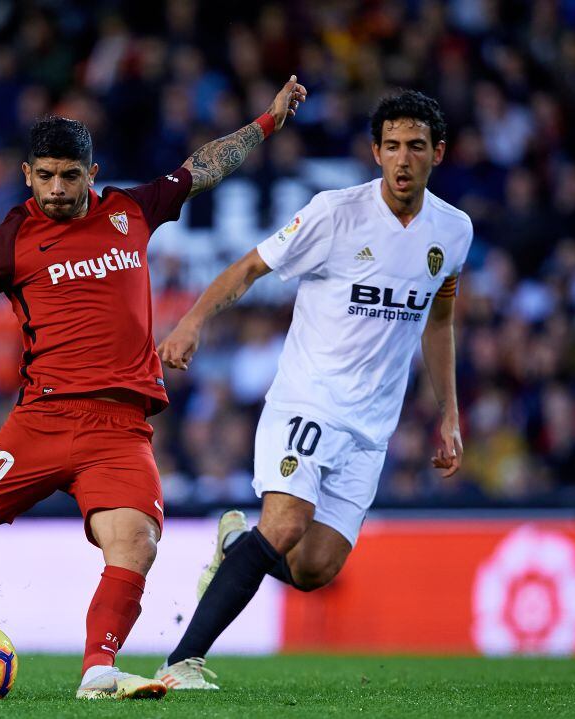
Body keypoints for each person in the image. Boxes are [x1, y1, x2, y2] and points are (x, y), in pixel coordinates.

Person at [0, 77, 308, 700]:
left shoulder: (131, 209)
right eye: (46, 177)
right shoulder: (12, 238)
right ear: (27, 175)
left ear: (92, 171)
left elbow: (202, 167)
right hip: (40, 421)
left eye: (71, 176)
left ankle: (98, 670)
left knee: (136, 542)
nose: (59, 190)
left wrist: (266, 122)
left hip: (120, 428)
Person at [152, 90, 473, 690]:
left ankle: (235, 549)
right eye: (394, 146)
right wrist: (193, 321)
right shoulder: (335, 214)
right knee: (286, 522)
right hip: (309, 399)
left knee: (313, 568)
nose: (404, 160)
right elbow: (250, 266)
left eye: (418, 147)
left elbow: (441, 319)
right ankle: (180, 663)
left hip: (370, 427)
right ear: (376, 152)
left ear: (439, 154)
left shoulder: (453, 232)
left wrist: (449, 414)